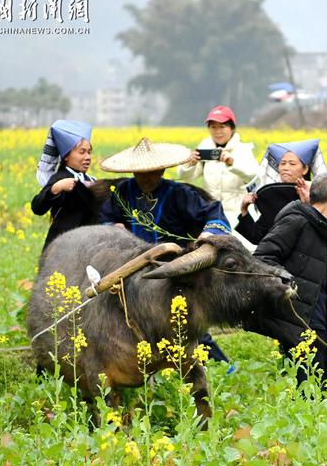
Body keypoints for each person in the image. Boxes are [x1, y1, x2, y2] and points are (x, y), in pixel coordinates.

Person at [98, 137, 234, 366]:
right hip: (132, 266)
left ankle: (220, 365)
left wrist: (209, 234)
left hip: (171, 267)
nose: (146, 178)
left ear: (162, 170)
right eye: (141, 173)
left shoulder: (178, 194)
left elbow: (213, 212)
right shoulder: (122, 191)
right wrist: (113, 227)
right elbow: (105, 218)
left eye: (152, 172)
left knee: (184, 319)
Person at [251, 173, 327, 385]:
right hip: (299, 320)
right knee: (308, 385)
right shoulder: (296, 221)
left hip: (321, 319)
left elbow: (318, 275)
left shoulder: (325, 229)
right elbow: (262, 258)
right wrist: (290, 285)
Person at [178, 106, 260, 250]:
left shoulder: (243, 150)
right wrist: (189, 163)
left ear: (232, 128)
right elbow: (185, 177)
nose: (218, 131)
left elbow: (253, 176)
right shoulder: (204, 149)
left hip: (237, 213)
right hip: (212, 216)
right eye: (213, 127)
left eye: (222, 126)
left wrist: (231, 163)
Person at [235, 139, 327, 246]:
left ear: (305, 169)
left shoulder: (318, 196)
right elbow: (257, 237)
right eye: (282, 163)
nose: (285, 168)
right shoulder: (272, 196)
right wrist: (244, 210)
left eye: (292, 164)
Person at [31, 120, 98, 249]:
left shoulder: (90, 179)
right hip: (62, 246)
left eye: (89, 152)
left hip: (86, 244)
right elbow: (37, 207)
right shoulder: (60, 178)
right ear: (66, 156)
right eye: (82, 152)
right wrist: (56, 188)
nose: (88, 157)